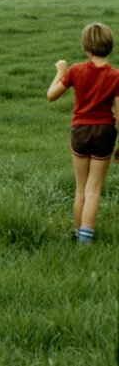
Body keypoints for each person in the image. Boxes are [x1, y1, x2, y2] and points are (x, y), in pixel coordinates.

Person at [47, 22, 119, 245]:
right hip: (105, 132)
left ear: (86, 47)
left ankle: (79, 235)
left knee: (81, 188)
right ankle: (85, 243)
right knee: (93, 189)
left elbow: (51, 95)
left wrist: (61, 71)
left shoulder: (76, 70)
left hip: (79, 131)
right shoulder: (116, 75)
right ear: (110, 46)